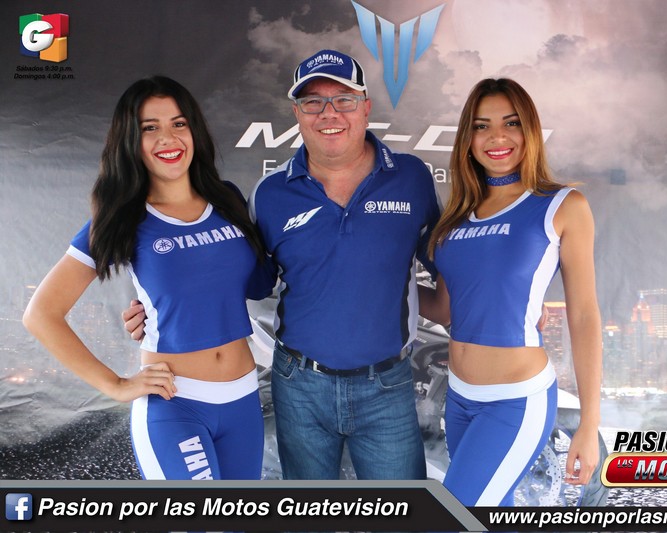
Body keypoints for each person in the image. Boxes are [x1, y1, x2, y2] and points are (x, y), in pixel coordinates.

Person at [124, 50, 441, 480]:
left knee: (402, 510)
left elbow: (451, 268)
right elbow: (241, 277)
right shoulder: (269, 193)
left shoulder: (412, 177)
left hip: (386, 385)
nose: (329, 113)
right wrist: (160, 305)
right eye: (313, 102)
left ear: (365, 106)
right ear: (297, 113)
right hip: (299, 385)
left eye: (343, 99)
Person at [23, 75, 268, 480]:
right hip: (176, 404)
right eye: (149, 128)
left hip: (243, 398)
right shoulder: (123, 216)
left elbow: (246, 286)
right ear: (130, 141)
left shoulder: (227, 199)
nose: (168, 138)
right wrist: (115, 385)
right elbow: (41, 314)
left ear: (194, 130)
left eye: (178, 123)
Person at [418, 78, 602, 506]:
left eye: (511, 123)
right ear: (468, 139)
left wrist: (589, 423)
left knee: (454, 516)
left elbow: (584, 316)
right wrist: (382, 282)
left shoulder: (562, 206)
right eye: (481, 126)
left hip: (516, 400)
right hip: (460, 398)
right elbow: (445, 309)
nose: (497, 137)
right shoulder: (456, 217)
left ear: (530, 130)